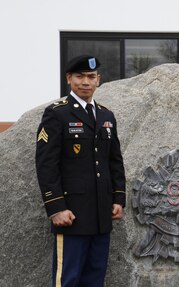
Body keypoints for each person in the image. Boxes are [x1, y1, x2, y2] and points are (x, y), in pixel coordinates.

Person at [35, 55, 126, 287]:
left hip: (100, 215)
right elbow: (46, 164)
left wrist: (118, 199)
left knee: (95, 279)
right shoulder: (57, 113)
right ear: (69, 79)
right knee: (68, 279)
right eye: (80, 76)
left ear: (99, 80)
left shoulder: (106, 116)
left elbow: (114, 160)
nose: (86, 82)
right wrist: (56, 208)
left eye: (91, 77)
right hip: (71, 216)